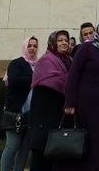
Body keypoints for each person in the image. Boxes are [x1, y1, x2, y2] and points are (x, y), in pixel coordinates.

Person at [59, 19, 99, 171]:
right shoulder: (87, 48)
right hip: (86, 105)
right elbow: (74, 74)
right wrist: (70, 102)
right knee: (87, 143)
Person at [29, 31, 72, 171]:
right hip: (44, 119)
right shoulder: (46, 61)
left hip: (61, 117)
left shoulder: (70, 61)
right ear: (53, 43)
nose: (64, 43)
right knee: (41, 158)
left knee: (58, 157)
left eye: (66, 40)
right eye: (60, 40)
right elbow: (48, 86)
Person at [1, 36, 39, 171]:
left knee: (24, 150)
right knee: (12, 146)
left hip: (31, 114)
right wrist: (35, 78)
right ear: (25, 47)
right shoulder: (17, 63)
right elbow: (14, 81)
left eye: (35, 46)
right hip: (15, 112)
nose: (32, 48)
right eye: (29, 46)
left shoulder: (38, 65)